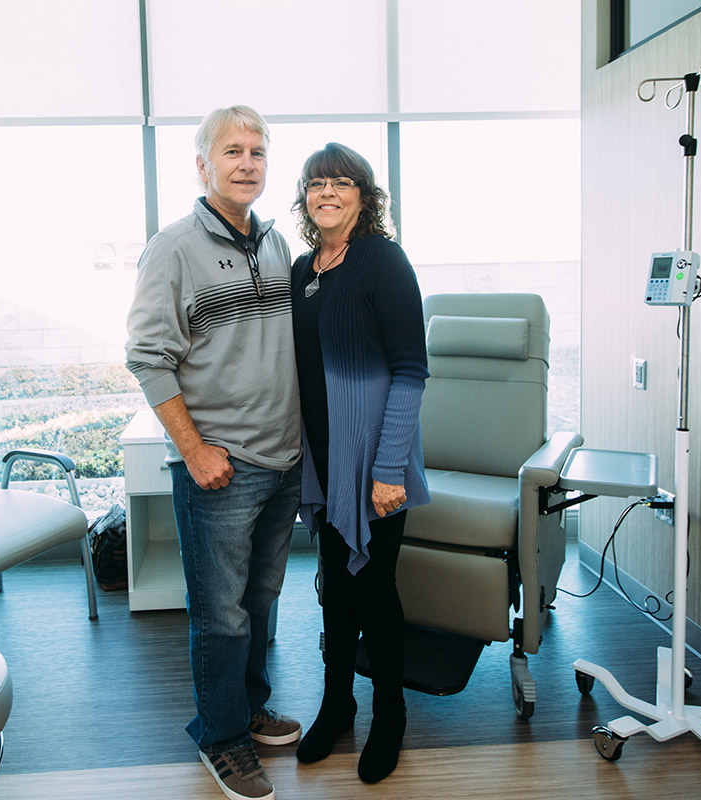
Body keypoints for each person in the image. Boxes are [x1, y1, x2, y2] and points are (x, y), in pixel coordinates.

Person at [125, 105, 302, 800]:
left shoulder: (278, 244)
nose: (248, 161)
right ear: (203, 164)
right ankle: (222, 738)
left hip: (284, 462)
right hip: (221, 469)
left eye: (258, 150)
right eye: (232, 150)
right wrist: (194, 450)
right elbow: (146, 356)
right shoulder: (173, 249)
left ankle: (249, 709)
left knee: (261, 601)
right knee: (221, 614)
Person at [289, 143, 429, 783]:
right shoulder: (304, 269)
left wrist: (389, 468)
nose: (327, 193)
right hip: (323, 457)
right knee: (334, 594)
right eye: (316, 184)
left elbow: (410, 370)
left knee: (373, 591)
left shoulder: (382, 260)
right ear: (305, 198)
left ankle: (389, 714)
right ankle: (336, 703)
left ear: (364, 196)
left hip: (374, 459)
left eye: (341, 183)